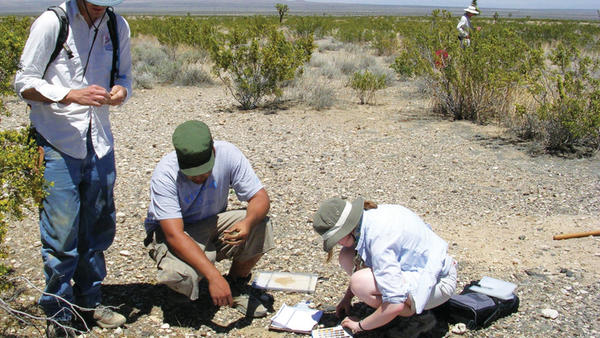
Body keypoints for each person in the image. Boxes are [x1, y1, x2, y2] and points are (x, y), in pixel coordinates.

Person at [14, 0, 132, 334]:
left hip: (100, 143)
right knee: (61, 236)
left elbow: (125, 77)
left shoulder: (116, 25)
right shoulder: (52, 24)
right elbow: (24, 83)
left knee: (97, 229)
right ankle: (58, 310)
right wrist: (69, 95)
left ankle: (90, 301)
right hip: (57, 142)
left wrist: (121, 92)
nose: (99, 9)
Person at [144, 120, 274, 318]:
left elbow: (260, 198)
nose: (198, 178)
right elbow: (173, 234)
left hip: (211, 223)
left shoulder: (228, 153)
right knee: (178, 276)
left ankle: (235, 285)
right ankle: (184, 293)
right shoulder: (165, 173)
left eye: (204, 171)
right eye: (192, 174)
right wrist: (213, 276)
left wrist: (247, 224)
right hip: (177, 233)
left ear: (213, 150)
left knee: (260, 224)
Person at [312, 197, 457, 334]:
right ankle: (394, 310)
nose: (337, 243)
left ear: (347, 229)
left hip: (439, 283)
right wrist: (347, 297)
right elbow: (363, 259)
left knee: (360, 283)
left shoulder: (379, 241)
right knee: (346, 255)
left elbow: (395, 302)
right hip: (426, 269)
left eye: (336, 238)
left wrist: (360, 326)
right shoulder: (369, 218)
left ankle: (415, 318)